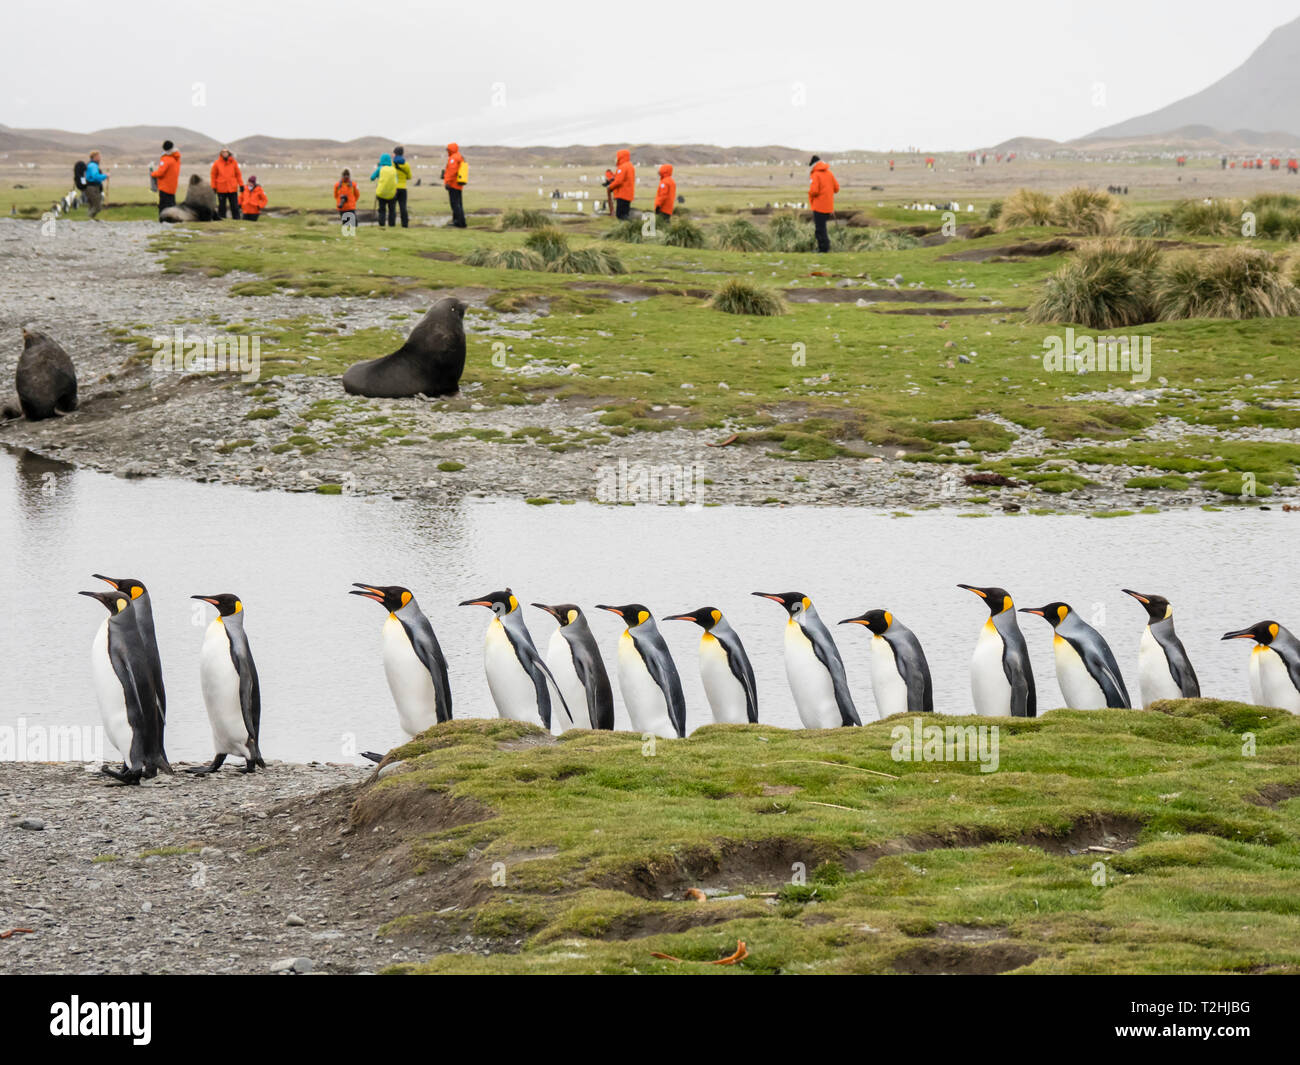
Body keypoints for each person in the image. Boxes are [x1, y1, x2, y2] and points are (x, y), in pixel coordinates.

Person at [808, 155, 838, 254]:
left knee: (820, 229)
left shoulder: (815, 174)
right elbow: (836, 188)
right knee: (822, 227)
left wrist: (810, 193)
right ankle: (825, 248)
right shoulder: (829, 173)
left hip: (819, 206)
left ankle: (823, 249)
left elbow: (814, 191)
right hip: (828, 207)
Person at [150, 140, 181, 218]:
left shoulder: (166, 159)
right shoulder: (176, 159)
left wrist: (152, 174)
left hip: (165, 187)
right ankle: (173, 221)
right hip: (172, 187)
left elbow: (160, 173)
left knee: (163, 206)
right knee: (171, 205)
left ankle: (163, 221)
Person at [210, 148, 243, 219]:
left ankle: (236, 219)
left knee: (234, 206)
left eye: (226, 152)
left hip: (232, 188)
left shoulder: (234, 162)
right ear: (221, 154)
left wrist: (241, 185)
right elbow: (213, 176)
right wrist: (213, 187)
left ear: (228, 153)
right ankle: (222, 219)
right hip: (221, 188)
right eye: (223, 152)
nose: (225, 154)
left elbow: (238, 174)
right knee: (222, 206)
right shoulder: (217, 163)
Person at [370, 152, 399, 227]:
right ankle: (392, 225)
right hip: (392, 194)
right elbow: (397, 181)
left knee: (382, 210)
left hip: (381, 193)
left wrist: (377, 177)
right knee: (392, 210)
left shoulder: (380, 169)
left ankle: (381, 224)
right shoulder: (393, 170)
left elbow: (372, 177)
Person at [443, 142, 467, 228]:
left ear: (451, 149)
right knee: (458, 203)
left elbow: (452, 171)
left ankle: (459, 222)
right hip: (458, 184)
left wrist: (447, 182)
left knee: (455, 204)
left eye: (448, 150)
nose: (447, 151)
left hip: (453, 184)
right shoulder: (459, 156)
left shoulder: (453, 158)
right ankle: (459, 221)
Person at [607, 149, 635, 219]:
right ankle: (628, 228)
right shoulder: (630, 165)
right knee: (625, 214)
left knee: (620, 215)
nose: (616, 158)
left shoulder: (623, 167)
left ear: (621, 157)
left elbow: (619, 181)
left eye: (617, 156)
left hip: (622, 195)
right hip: (628, 194)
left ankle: (628, 228)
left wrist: (610, 187)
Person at [83, 151, 109, 221]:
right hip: (92, 187)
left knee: (92, 205)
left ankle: (89, 220)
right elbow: (95, 176)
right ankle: (88, 219)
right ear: (94, 157)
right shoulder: (93, 166)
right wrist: (105, 176)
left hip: (91, 187)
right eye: (98, 156)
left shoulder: (92, 165)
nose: (100, 158)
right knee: (97, 206)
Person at [392, 146, 412, 228]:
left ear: (395, 153)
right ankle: (405, 224)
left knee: (392, 207)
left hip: (394, 188)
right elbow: (409, 177)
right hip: (403, 188)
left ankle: (392, 224)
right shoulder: (406, 164)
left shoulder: (392, 164)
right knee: (403, 207)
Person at [654, 163, 676, 228]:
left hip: (663, 208)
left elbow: (663, 195)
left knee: (663, 224)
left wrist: (658, 206)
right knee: (667, 222)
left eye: (661, 169)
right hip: (669, 207)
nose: (659, 170)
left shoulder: (664, 182)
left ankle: (666, 236)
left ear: (664, 170)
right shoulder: (671, 181)